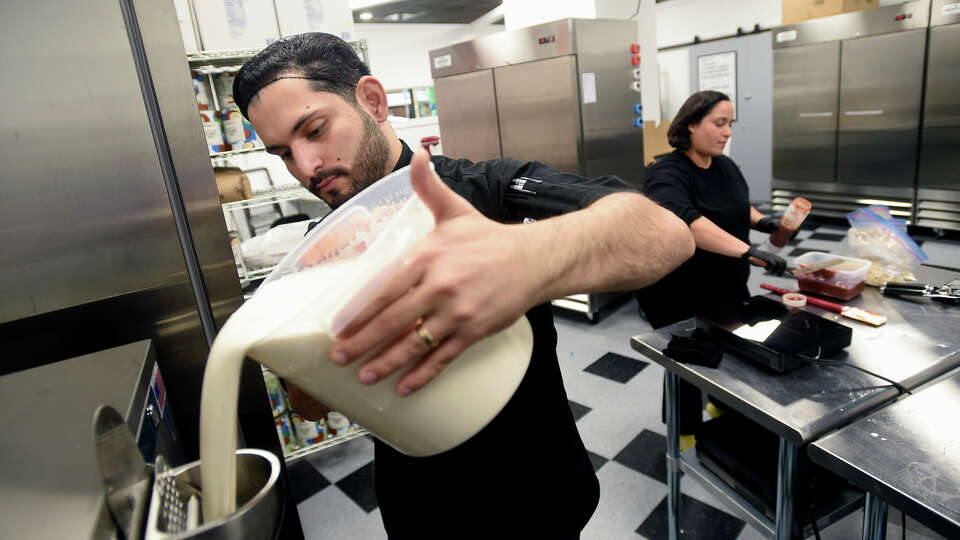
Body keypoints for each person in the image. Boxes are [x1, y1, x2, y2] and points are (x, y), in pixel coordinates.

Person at [233, 33, 695, 537]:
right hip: (420, 506)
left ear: (371, 100)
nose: (306, 167)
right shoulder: (316, 253)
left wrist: (525, 258)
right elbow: (306, 405)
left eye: (316, 130)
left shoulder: (487, 190)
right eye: (282, 154)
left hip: (536, 493)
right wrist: (311, 341)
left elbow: (665, 232)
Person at [634, 90, 788, 441]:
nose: (727, 132)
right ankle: (683, 432)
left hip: (726, 281)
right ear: (691, 124)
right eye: (719, 123)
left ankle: (720, 402)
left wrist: (763, 222)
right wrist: (750, 251)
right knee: (689, 355)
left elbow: (736, 205)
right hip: (679, 289)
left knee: (728, 345)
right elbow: (689, 223)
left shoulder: (724, 166)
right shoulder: (666, 173)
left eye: (730, 124)